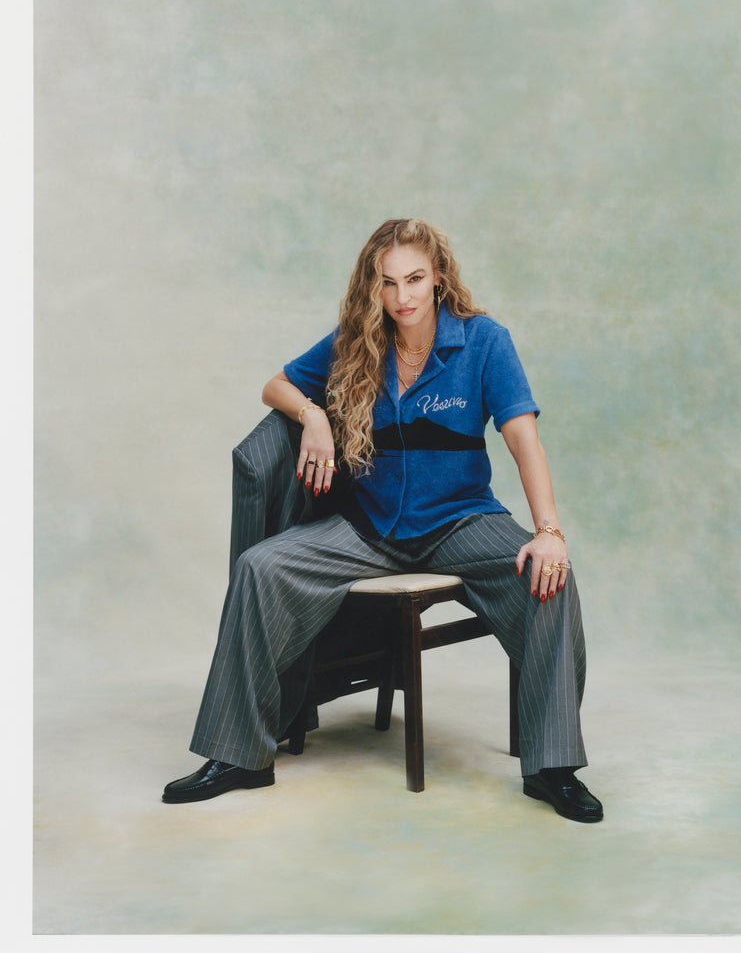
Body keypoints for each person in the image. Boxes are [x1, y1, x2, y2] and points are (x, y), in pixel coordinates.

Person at [163, 218, 603, 823]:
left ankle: (552, 768)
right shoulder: (355, 340)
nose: (403, 297)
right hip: (367, 529)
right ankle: (239, 757)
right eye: (388, 282)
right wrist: (314, 415)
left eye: (415, 279)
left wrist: (548, 531)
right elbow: (275, 386)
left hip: (461, 522)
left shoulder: (483, 342)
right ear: (373, 287)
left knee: (549, 579)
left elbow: (523, 438)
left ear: (439, 276)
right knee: (259, 567)